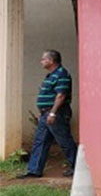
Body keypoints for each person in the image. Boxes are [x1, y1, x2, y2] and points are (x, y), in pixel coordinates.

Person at [18, 50, 78, 179]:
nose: (41, 61)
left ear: (51, 61)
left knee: (64, 141)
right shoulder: (51, 75)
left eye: (43, 59)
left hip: (57, 114)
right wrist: (43, 113)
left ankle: (77, 168)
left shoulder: (62, 74)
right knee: (40, 141)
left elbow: (61, 95)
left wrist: (52, 113)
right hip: (47, 113)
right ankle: (34, 170)